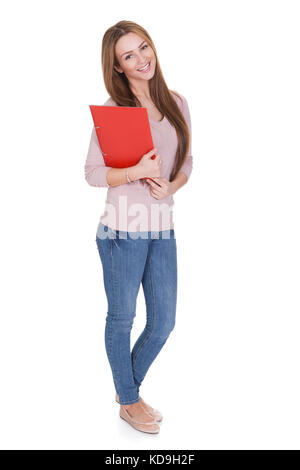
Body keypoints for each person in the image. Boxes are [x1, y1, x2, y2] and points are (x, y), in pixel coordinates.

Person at [84, 20, 193, 434]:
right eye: (129, 55)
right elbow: (93, 173)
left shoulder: (177, 103)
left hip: (162, 229)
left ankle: (125, 390)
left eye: (143, 48)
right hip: (120, 232)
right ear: (118, 68)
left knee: (164, 321)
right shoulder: (113, 113)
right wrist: (135, 171)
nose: (141, 59)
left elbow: (186, 164)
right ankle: (129, 400)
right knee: (122, 318)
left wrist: (172, 185)